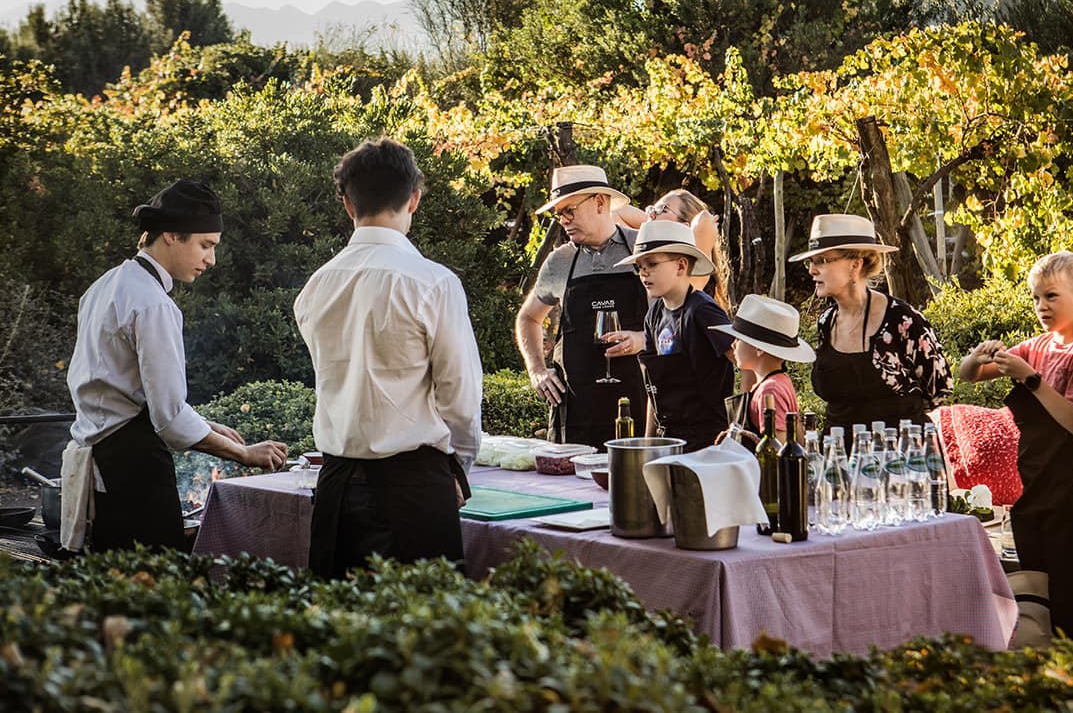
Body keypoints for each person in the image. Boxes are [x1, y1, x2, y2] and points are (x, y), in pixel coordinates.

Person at [294, 137, 483, 579]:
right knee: (422, 618)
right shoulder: (433, 283)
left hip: (336, 486)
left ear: (347, 204)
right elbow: (460, 394)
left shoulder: (316, 286)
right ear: (414, 198)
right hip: (414, 486)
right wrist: (459, 467)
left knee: (337, 617)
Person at [65, 180, 288, 552]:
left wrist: (206, 425)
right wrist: (245, 453)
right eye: (205, 245)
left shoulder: (104, 286)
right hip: (134, 476)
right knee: (154, 582)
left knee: (113, 579)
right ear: (170, 234)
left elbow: (125, 393)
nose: (211, 260)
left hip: (104, 468)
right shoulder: (154, 304)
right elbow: (169, 420)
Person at [957, 251, 1073, 641]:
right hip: (1034, 484)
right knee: (1036, 585)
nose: (1041, 306)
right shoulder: (1034, 347)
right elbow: (969, 376)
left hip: (1072, 487)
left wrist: (1032, 380)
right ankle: (1040, 654)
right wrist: (977, 356)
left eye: (1051, 296)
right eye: (1036, 297)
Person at [789, 214, 952, 448]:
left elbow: (939, 389)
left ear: (855, 265)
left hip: (901, 458)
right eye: (810, 262)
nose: (812, 270)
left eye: (822, 260)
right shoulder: (826, 322)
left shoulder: (901, 319)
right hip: (838, 458)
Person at [516, 165, 649, 449]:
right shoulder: (559, 261)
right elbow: (528, 318)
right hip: (576, 413)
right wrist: (537, 369)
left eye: (569, 210)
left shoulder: (643, 249)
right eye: (558, 214)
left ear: (599, 202)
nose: (563, 220)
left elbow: (675, 318)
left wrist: (642, 339)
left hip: (638, 405)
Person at [617, 220, 735, 450]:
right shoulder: (653, 315)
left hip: (708, 440)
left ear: (681, 266)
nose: (643, 272)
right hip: (667, 439)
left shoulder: (703, 310)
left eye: (651, 264)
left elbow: (743, 360)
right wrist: (648, 443)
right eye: (639, 267)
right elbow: (654, 389)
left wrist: (741, 425)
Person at [710, 294, 815, 442]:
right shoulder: (778, 381)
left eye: (738, 339)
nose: (733, 345)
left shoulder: (770, 390)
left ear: (759, 349)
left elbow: (777, 445)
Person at [616, 189, 729, 308]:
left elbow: (685, 298)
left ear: (684, 227)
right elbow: (615, 211)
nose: (651, 215)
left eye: (663, 209)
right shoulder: (640, 248)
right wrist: (650, 225)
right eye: (651, 209)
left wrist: (700, 234)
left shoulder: (689, 286)